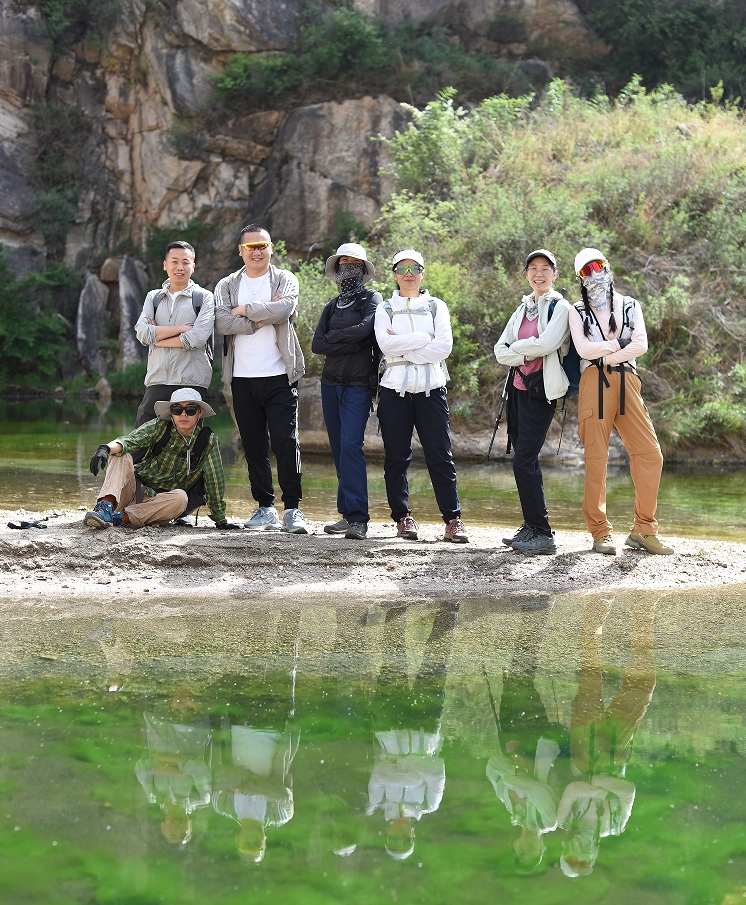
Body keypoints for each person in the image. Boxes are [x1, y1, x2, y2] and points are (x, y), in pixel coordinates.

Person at [569, 248, 673, 555]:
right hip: (593, 383)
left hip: (628, 381)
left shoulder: (629, 304)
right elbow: (584, 350)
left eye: (598, 266)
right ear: (580, 278)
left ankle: (644, 530)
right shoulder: (577, 310)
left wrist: (608, 354)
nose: (594, 273)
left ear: (608, 267)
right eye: (586, 271)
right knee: (596, 458)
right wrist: (618, 344)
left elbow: (640, 343)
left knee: (650, 454)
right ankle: (600, 532)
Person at [214, 224, 308, 534]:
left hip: (280, 375)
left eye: (262, 245)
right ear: (240, 251)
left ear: (270, 248)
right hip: (242, 377)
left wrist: (245, 310)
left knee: (285, 441)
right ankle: (265, 508)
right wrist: (260, 318)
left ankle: (293, 510)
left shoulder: (284, 279)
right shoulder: (227, 284)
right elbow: (223, 321)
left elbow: (286, 308)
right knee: (253, 444)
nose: (256, 250)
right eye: (250, 246)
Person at [374, 248, 468, 543]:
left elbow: (444, 348)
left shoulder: (436, 306)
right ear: (394, 274)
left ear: (423, 273)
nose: (409, 273)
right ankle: (402, 518)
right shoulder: (385, 307)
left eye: (415, 268)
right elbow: (385, 346)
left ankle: (452, 520)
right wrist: (421, 340)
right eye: (403, 268)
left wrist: (405, 346)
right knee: (397, 458)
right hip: (394, 390)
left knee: (441, 456)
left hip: (432, 390)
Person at [494, 249, 571, 555]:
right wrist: (527, 349)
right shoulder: (522, 308)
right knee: (523, 459)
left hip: (541, 393)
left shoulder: (560, 308)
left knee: (524, 459)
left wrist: (519, 348)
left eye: (545, 268)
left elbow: (549, 343)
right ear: (526, 274)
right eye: (533, 268)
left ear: (555, 273)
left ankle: (542, 533)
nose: (539, 273)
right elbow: (500, 351)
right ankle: (530, 526)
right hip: (517, 390)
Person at [84, 388, 234, 529]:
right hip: (132, 490)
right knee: (121, 455)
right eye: (177, 409)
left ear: (199, 412)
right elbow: (129, 441)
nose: (183, 414)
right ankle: (105, 508)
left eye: (190, 410)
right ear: (171, 412)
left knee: (181, 498)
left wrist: (220, 519)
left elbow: (214, 479)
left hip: (159, 504)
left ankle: (121, 519)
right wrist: (105, 448)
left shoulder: (208, 440)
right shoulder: (160, 427)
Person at [311, 242, 381, 540]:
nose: (348, 268)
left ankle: (359, 519)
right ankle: (346, 514)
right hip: (329, 384)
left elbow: (366, 329)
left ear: (363, 270)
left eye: (354, 263)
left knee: (352, 444)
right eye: (343, 263)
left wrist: (335, 338)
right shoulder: (331, 305)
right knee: (339, 447)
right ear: (336, 269)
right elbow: (317, 345)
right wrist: (347, 340)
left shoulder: (372, 298)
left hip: (358, 384)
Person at [133, 241, 215, 427]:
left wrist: (158, 339)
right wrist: (181, 328)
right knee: (142, 439)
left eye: (185, 262)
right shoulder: (153, 297)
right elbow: (142, 333)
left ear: (193, 266)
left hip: (191, 380)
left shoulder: (204, 298)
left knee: (188, 445)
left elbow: (197, 338)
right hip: (158, 378)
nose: (180, 267)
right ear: (165, 265)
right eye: (174, 261)